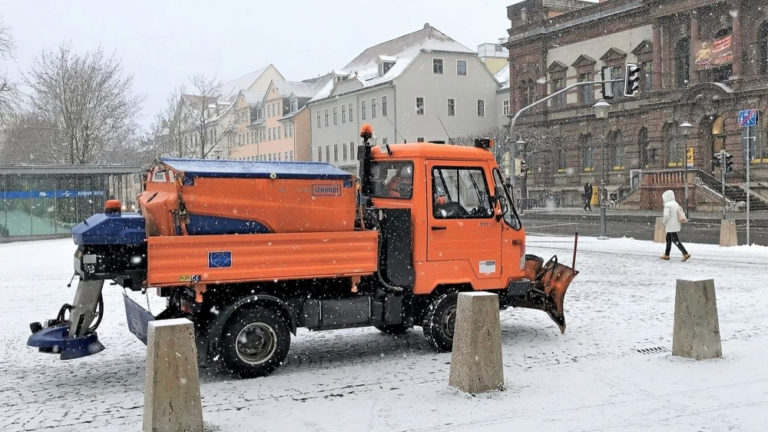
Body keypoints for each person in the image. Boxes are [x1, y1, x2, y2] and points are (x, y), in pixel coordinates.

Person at [661, 189, 691, 261]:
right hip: (676, 224)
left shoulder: (667, 205)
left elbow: (666, 215)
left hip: (670, 225)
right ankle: (666, 254)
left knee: (675, 240)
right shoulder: (675, 203)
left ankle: (685, 253)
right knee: (669, 238)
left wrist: (664, 222)